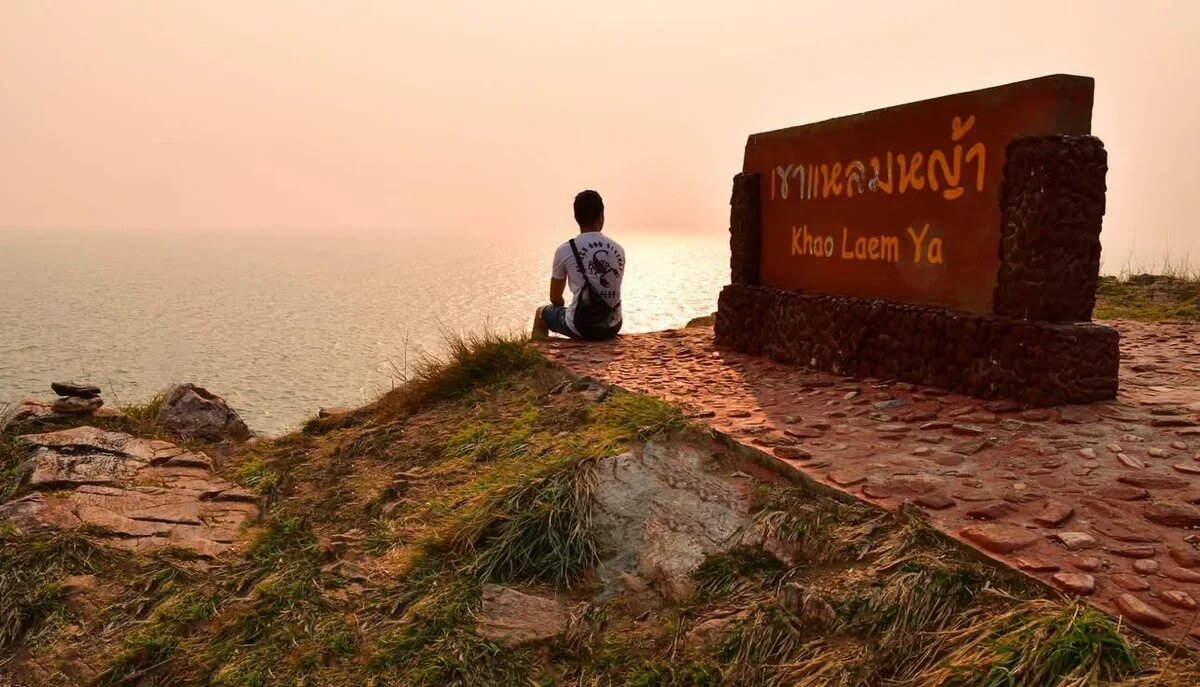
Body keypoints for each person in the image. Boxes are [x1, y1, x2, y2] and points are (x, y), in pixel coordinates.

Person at [532, 190, 625, 340]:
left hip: (582, 326)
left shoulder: (565, 250)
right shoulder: (618, 250)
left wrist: (563, 307)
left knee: (541, 314)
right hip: (613, 324)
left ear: (576, 217)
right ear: (601, 216)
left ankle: (537, 359)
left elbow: (555, 298)